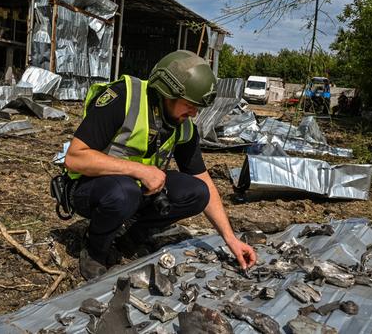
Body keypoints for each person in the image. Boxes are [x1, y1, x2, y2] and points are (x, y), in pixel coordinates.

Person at [64, 50, 257, 280]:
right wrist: (139, 170)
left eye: (197, 108)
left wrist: (231, 239)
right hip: (92, 189)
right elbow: (74, 158)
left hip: (136, 191)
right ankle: (95, 249)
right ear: (168, 92)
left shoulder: (184, 126)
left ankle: (130, 240)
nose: (193, 113)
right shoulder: (124, 97)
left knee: (197, 192)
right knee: (124, 192)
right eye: (189, 105)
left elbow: (203, 179)